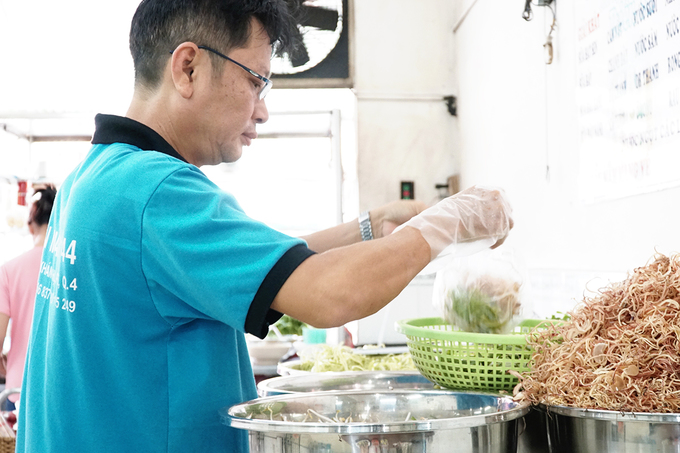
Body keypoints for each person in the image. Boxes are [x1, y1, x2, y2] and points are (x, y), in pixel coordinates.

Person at [16, 1, 513, 452]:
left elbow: (259, 269)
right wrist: (449, 221)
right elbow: (329, 295)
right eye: (257, 81)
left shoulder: (95, 177)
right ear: (188, 68)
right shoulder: (159, 191)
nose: (263, 110)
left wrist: (370, 228)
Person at [0, 184, 56, 411]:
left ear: (30, 224)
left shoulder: (9, 270)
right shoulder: (71, 269)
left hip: (18, 389)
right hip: (57, 391)